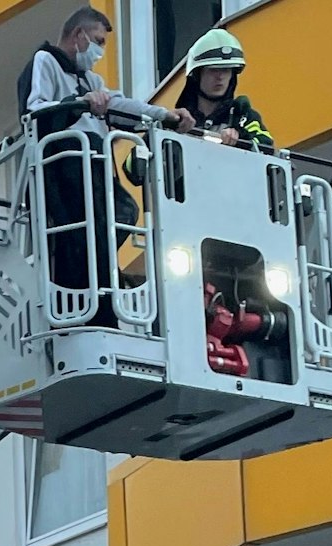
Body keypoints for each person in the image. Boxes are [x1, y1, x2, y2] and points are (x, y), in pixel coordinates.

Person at [23, 7, 194, 322]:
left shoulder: (91, 79)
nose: (100, 51)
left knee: (122, 215)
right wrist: (79, 104)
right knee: (91, 230)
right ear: (79, 35)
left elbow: (119, 104)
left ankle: (100, 289)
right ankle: (88, 291)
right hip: (64, 168)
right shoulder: (45, 61)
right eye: (98, 41)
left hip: (94, 166)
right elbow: (34, 111)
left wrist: (166, 116)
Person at [173, 29, 273, 151]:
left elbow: (266, 146)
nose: (220, 77)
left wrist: (241, 138)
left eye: (226, 70)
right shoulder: (180, 120)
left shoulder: (243, 117)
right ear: (197, 75)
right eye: (213, 69)